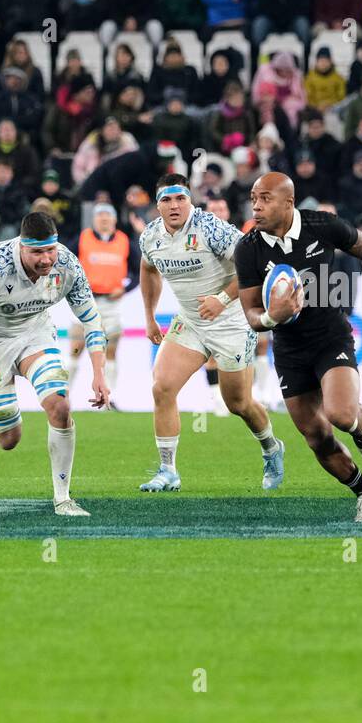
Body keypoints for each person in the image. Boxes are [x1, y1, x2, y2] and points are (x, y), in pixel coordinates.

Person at [234, 172, 362, 523]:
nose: (256, 205)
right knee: (316, 437)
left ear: (288, 203)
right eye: (253, 198)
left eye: (264, 198)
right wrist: (271, 317)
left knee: (342, 415)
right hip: (289, 349)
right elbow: (251, 313)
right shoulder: (248, 247)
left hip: (330, 336)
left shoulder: (322, 225)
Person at [0, 210, 110, 517]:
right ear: (21, 246)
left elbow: (91, 318)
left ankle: (63, 499)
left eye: (50, 250)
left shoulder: (67, 264)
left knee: (60, 404)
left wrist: (99, 373)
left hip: (35, 334)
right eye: (37, 252)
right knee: (10, 439)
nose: (46, 259)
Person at [138, 175, 285, 493]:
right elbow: (148, 269)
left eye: (180, 199)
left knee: (238, 403)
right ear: (158, 204)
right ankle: (168, 470)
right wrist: (149, 316)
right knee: (162, 387)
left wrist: (221, 299)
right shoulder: (150, 236)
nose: (174, 206)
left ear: (190, 200)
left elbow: (254, 267)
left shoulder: (211, 228)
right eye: (167, 200)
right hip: (190, 321)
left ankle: (272, 448)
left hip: (231, 320)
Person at [71, 204, 132, 407]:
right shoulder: (82, 239)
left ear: (114, 220)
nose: (104, 219)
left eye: (108, 215)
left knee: (110, 350)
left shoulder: (124, 241)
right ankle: (63, 396)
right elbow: (65, 263)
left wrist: (126, 287)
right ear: (94, 220)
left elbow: (138, 269)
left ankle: (108, 398)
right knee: (76, 348)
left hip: (111, 304)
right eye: (100, 216)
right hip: (86, 302)